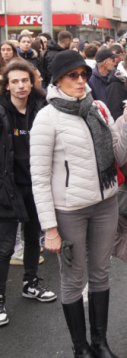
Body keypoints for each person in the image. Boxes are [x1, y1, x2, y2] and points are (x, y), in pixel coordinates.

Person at [30, 50, 127, 357]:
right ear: (57, 79)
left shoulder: (97, 108)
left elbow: (118, 156)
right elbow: (40, 178)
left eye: (84, 75)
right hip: (69, 210)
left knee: (100, 273)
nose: (81, 81)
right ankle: (80, 347)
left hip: (105, 202)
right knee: (73, 279)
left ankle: (100, 343)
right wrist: (50, 229)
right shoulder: (46, 118)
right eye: (73, 75)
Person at [0, 61, 56, 328]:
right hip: (7, 188)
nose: (21, 86)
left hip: (36, 185)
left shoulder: (43, 108)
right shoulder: (1, 111)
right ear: (7, 84)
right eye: (15, 81)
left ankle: (31, 283)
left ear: (33, 81)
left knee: (34, 237)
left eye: (25, 80)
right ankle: (0, 299)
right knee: (5, 247)